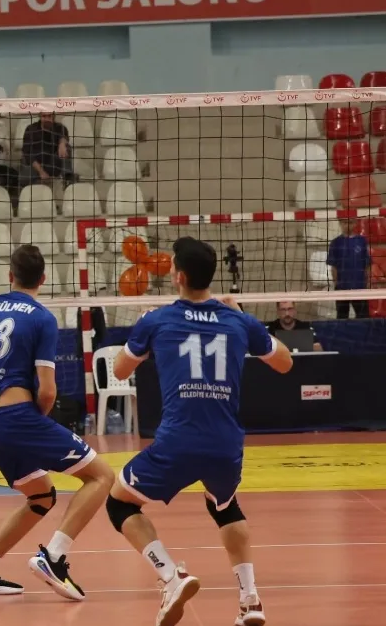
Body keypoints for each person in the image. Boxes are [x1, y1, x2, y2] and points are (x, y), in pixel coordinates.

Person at [107, 237, 293, 626]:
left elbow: (120, 370)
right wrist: (244, 317)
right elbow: (285, 363)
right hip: (225, 444)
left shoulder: (157, 320)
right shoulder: (239, 321)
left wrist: (143, 335)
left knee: (119, 503)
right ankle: (250, 600)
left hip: (177, 442)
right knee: (225, 506)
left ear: (178, 276)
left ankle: (170, 577)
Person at [0, 245, 115, 600]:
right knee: (102, 476)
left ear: (9, 276)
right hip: (18, 420)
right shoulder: (42, 317)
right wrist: (34, 426)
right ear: (43, 279)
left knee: (40, 496)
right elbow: (47, 390)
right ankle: (53, 558)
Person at [327, 220, 370, 319]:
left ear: (355, 223)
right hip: (342, 287)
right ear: (340, 224)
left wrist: (367, 282)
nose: (347, 225)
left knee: (363, 317)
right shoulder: (335, 243)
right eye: (344, 222)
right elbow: (333, 266)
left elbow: (367, 264)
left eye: (350, 222)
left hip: (359, 287)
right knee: (342, 316)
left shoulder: (362, 241)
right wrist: (336, 284)